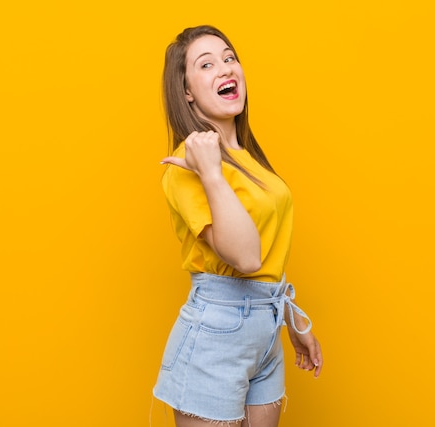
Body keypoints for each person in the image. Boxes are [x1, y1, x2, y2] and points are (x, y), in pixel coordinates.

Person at [153, 25, 323, 427]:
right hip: (215, 335)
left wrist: (292, 321)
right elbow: (246, 258)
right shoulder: (185, 169)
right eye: (206, 64)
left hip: (265, 334)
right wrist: (210, 173)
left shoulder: (248, 158)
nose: (225, 68)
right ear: (187, 92)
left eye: (230, 58)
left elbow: (267, 249)